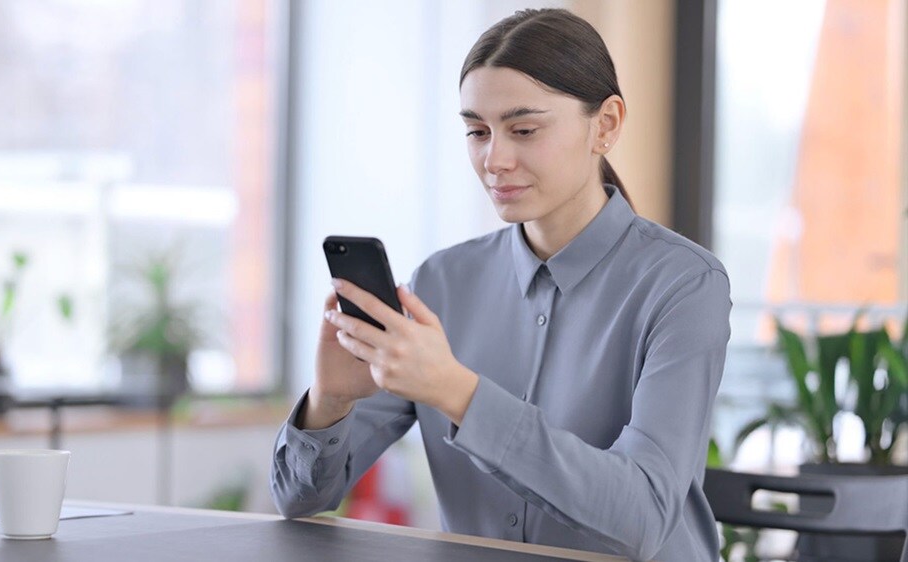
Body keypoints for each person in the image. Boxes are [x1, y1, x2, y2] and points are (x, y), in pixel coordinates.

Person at [270, 8, 731, 562]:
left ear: (605, 125)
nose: (494, 159)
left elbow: (642, 517)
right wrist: (332, 402)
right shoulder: (441, 282)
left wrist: (457, 393)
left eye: (524, 130)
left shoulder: (684, 285)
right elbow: (300, 499)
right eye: (477, 131)